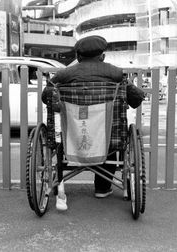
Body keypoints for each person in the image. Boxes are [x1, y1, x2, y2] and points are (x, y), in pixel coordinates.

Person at [42, 35, 145, 210]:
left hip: (70, 138)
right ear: (102, 56)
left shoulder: (64, 75)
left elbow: (47, 98)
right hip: (107, 139)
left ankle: (60, 180)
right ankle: (102, 188)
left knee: (70, 133)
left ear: (79, 57)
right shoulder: (116, 74)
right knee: (110, 132)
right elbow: (136, 99)